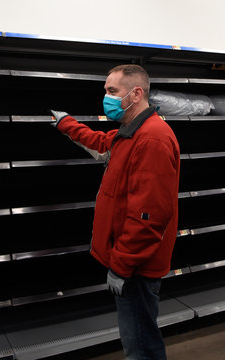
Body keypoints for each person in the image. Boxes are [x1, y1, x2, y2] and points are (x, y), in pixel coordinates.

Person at [50, 64, 180, 360]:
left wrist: (122, 265)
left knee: (140, 345)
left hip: (136, 267)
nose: (106, 98)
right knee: (138, 336)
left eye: (112, 91)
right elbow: (101, 143)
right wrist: (67, 123)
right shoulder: (130, 133)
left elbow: (149, 217)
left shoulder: (152, 139)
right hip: (131, 260)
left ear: (135, 94)